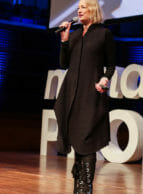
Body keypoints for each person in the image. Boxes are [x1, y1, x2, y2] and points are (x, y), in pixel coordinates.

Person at [53, 0, 115, 193]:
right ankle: (78, 183)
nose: (79, 11)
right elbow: (64, 64)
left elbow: (111, 65)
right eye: (78, 8)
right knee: (77, 138)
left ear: (93, 9)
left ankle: (85, 185)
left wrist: (105, 79)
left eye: (83, 7)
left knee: (87, 140)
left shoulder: (103, 34)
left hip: (91, 93)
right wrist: (64, 40)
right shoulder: (76, 35)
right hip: (71, 93)